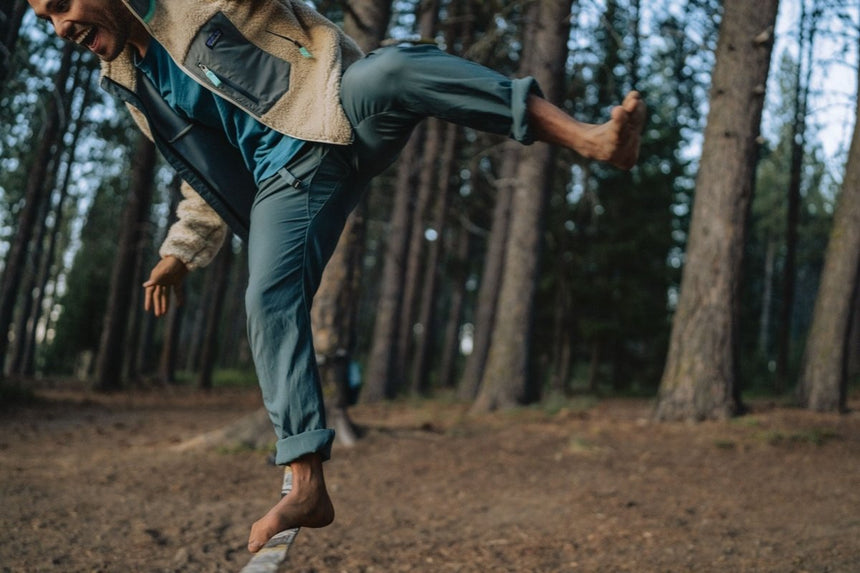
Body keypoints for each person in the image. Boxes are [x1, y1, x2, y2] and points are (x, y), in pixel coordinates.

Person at [28, 0, 646, 554]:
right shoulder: (133, 83)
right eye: (45, 21)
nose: (60, 28)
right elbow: (203, 169)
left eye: (62, 6)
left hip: (340, 110)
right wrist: (180, 252)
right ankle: (307, 485)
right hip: (283, 185)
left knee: (397, 67)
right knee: (267, 297)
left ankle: (591, 139)